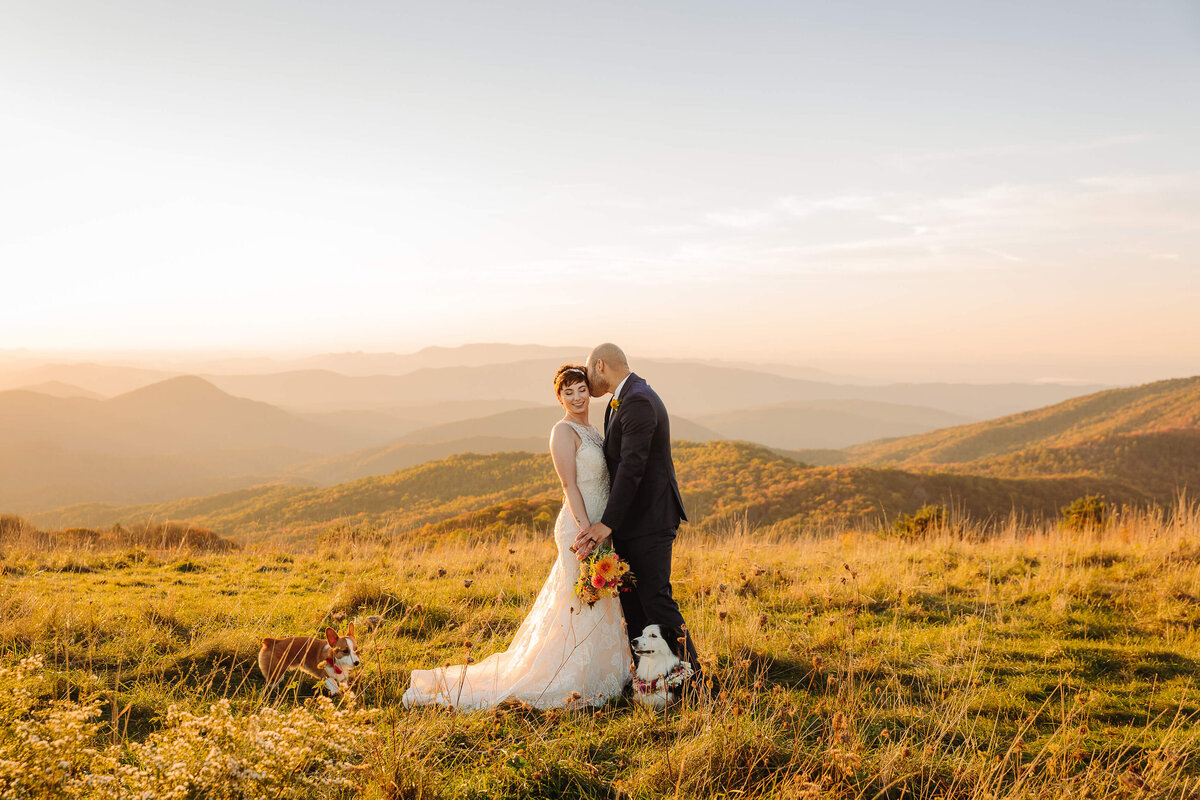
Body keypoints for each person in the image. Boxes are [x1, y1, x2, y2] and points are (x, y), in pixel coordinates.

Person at [402, 365, 631, 710]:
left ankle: (605, 667)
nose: (577, 397)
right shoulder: (562, 431)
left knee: (599, 597)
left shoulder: (593, 430)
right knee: (580, 598)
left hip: (600, 526)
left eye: (581, 389)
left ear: (589, 389)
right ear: (559, 398)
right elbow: (569, 485)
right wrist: (587, 531)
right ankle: (573, 673)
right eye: (568, 392)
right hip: (579, 527)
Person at [575, 343, 701, 675]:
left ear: (600, 365)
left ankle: (693, 681)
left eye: (588, 373)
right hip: (633, 523)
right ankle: (651, 682)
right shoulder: (621, 401)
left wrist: (606, 523)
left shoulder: (639, 401)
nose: (587, 383)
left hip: (650, 520)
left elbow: (632, 469)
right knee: (633, 602)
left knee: (656, 601)